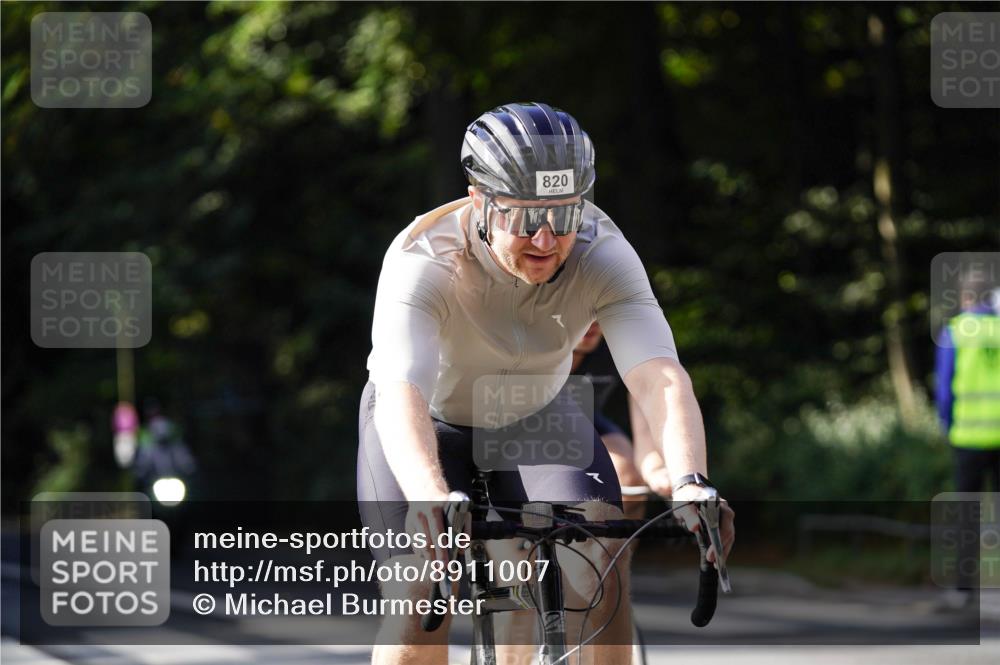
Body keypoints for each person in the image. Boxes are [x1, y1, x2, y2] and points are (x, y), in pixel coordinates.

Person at [356, 102, 734, 665]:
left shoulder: (603, 252)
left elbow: (659, 375)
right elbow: (400, 386)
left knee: (603, 555)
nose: (545, 239)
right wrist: (429, 496)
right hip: (424, 417)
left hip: (532, 409)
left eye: (563, 215)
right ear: (479, 199)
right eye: (524, 216)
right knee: (422, 590)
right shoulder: (424, 259)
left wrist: (692, 481)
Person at [935, 270, 1000, 607]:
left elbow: (944, 390)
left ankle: (964, 590)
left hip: (969, 437)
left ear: (965, 297)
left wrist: (947, 425)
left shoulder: (956, 331)